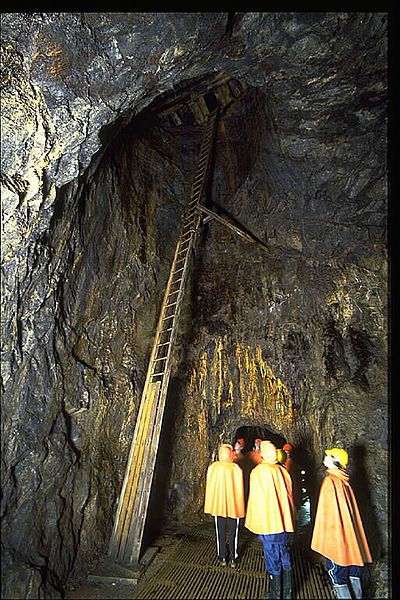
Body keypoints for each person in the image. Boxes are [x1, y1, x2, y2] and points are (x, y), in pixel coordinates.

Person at [310, 447, 372, 599]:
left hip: (336, 541)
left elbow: (330, 519)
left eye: (328, 455)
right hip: (349, 542)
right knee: (353, 573)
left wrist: (328, 543)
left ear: (335, 461)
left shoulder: (330, 481)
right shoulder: (344, 481)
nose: (325, 456)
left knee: (338, 577)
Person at [245, 441, 295, 600]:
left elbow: (256, 499)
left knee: (272, 557)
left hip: (268, 524)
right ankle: (288, 593)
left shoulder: (258, 472)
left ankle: (275, 594)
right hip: (283, 523)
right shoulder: (283, 471)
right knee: (285, 556)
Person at [204, 443, 246, 568]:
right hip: (233, 507)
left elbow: (210, 488)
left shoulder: (213, 467)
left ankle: (222, 557)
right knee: (234, 533)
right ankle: (234, 558)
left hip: (219, 507)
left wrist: (211, 505)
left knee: (220, 532)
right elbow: (239, 490)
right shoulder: (236, 469)